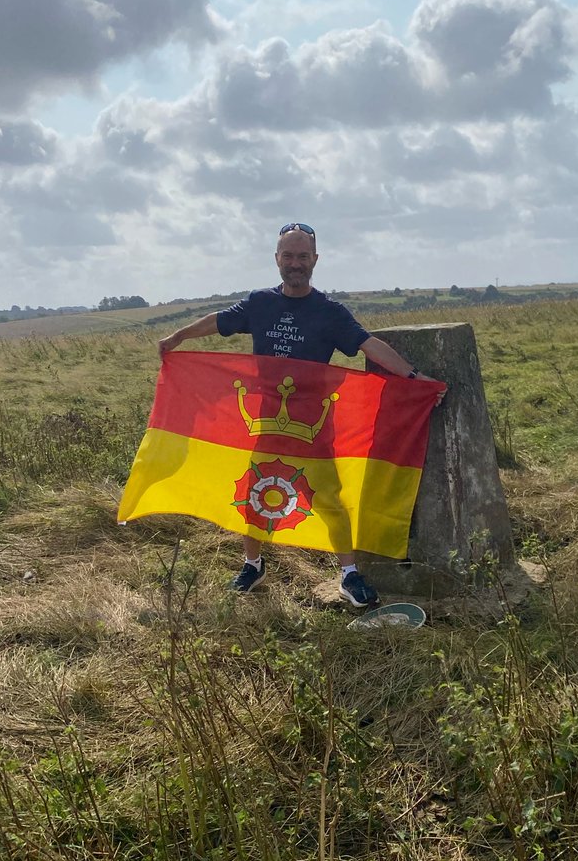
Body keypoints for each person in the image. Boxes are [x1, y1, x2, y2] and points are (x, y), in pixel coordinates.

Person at [158, 222, 442, 607]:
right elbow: (219, 320)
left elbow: (368, 345)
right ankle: (253, 564)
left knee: (329, 498)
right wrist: (178, 337)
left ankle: (349, 574)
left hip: (313, 425)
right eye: (289, 256)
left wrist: (413, 376)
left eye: (303, 256)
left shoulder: (330, 312)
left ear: (315, 260)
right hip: (264, 421)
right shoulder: (260, 303)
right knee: (254, 491)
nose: (295, 263)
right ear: (277, 259)